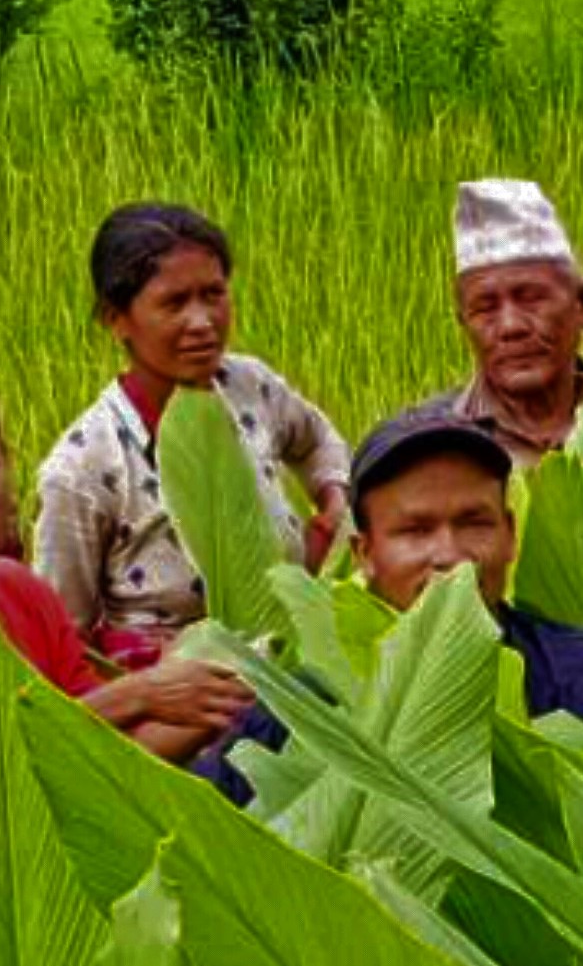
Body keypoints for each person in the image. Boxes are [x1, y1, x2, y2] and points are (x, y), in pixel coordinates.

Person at [202, 405, 583, 802]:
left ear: (509, 535)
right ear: (364, 553)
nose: (449, 553)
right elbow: (206, 833)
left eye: (473, 523)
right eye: (415, 530)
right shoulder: (306, 702)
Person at [0, 359, 250, 758]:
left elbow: (105, 747)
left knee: (273, 714)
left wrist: (216, 702)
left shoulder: (20, 588)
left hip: (86, 814)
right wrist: (138, 694)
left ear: (7, 462)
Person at [31, 202, 350, 663]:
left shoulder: (249, 385)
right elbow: (62, 640)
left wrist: (334, 496)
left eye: (213, 295)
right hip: (175, 706)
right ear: (114, 318)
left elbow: (318, 440)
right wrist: (150, 693)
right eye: (174, 303)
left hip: (293, 659)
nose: (202, 322)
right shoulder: (83, 467)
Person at [431, 175, 583, 467]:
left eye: (531, 298)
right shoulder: (427, 447)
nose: (511, 327)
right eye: (485, 308)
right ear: (464, 323)